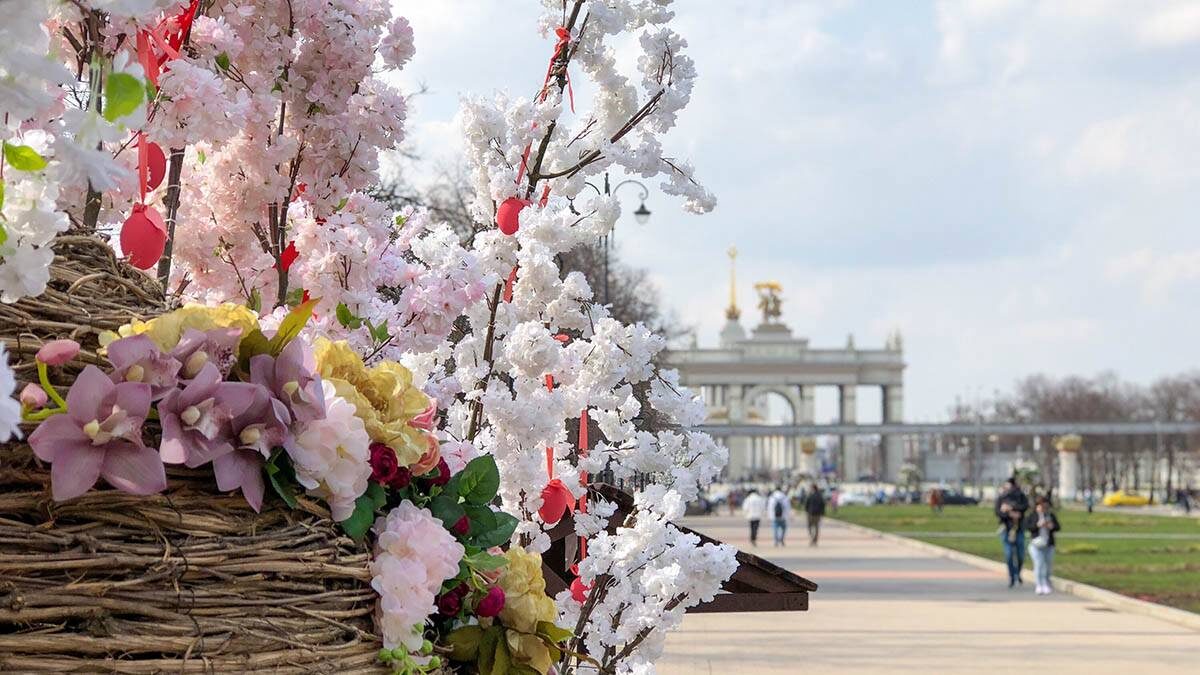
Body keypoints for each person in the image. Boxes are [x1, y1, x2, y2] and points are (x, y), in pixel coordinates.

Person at [994, 477, 1030, 588]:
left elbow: (1025, 507)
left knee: (1020, 555)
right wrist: (1010, 514)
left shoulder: (1021, 496)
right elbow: (998, 512)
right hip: (1006, 529)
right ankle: (1012, 577)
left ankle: (1017, 573)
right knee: (1009, 555)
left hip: (1019, 529)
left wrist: (1011, 508)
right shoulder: (1001, 497)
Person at [1025, 496, 1061, 595]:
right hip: (1036, 545)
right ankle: (1039, 584)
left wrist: (1051, 526)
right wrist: (1038, 525)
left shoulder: (1050, 515)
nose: (1044, 508)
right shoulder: (1032, 515)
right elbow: (1028, 527)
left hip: (1048, 545)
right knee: (1039, 564)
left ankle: (1046, 583)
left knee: (1048, 565)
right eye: (1042, 506)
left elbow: (1057, 527)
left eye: (1046, 506)